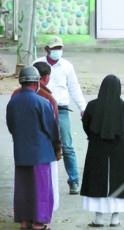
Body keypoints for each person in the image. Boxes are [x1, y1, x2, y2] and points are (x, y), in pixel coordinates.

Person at [6, 66, 61, 230]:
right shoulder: (42, 102)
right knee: (41, 189)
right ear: (37, 81)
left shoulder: (13, 101)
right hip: (41, 153)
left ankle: (24, 221)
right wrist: (57, 147)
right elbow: (52, 128)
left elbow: (11, 126)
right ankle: (38, 223)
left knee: (23, 188)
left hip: (21, 151)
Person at [34, 35, 87, 194]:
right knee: (42, 145)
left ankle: (74, 180)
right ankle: (43, 181)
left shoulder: (67, 66)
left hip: (62, 109)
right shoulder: (37, 64)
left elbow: (74, 87)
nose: (57, 51)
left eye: (59, 48)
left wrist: (82, 108)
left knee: (67, 146)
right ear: (47, 49)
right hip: (42, 108)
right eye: (54, 48)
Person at [80, 75, 124, 227]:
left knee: (97, 181)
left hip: (97, 148)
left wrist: (94, 136)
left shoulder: (92, 106)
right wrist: (123, 137)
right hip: (120, 150)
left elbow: (86, 124)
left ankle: (98, 218)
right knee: (118, 181)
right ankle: (115, 218)